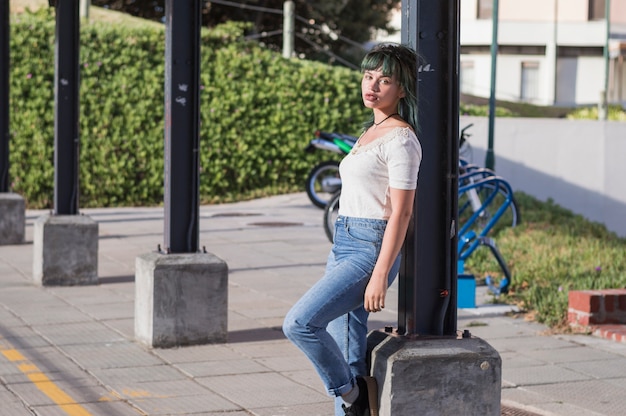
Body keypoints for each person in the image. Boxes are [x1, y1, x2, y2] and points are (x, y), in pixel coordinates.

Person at [282, 43, 422, 416]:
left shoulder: (402, 140)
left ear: (402, 89)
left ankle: (352, 396)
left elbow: (401, 214)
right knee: (349, 348)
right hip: (345, 241)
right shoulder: (369, 132)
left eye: (385, 79)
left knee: (299, 323)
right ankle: (354, 402)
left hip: (370, 248)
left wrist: (379, 274)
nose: (372, 85)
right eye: (368, 76)